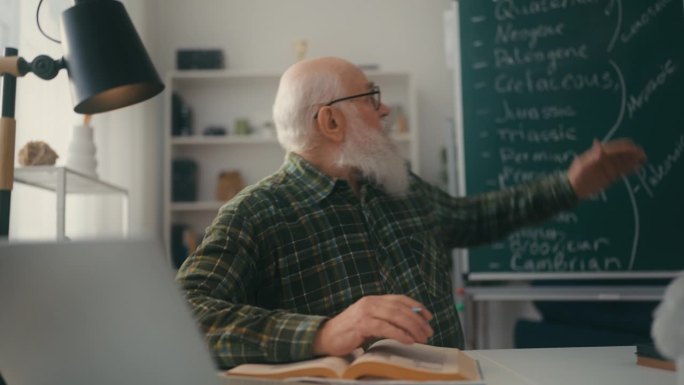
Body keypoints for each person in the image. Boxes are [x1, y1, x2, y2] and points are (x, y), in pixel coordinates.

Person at [176, 56, 646, 369]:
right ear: (331, 121)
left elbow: (474, 218)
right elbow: (185, 316)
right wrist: (324, 332)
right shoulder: (256, 212)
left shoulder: (396, 186)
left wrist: (568, 187)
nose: (384, 111)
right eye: (370, 97)